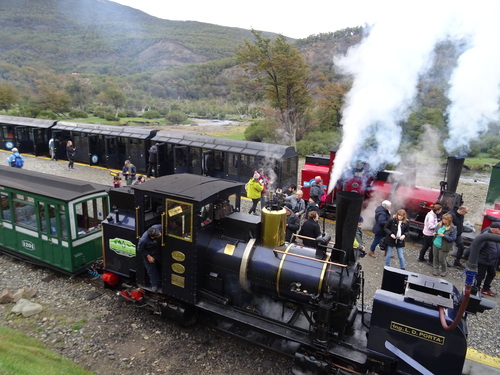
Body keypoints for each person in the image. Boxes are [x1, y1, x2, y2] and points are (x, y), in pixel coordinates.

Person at [475, 222, 500, 296]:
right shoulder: (485, 236)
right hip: (484, 260)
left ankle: (486, 289)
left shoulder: (497, 236)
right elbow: (478, 249)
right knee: (480, 275)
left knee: (492, 274)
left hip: (493, 261)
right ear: (494, 229)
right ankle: (476, 289)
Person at [137, 224, 163, 292]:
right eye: (158, 235)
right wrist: (148, 256)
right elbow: (140, 249)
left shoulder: (158, 228)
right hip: (149, 254)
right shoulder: (143, 240)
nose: (160, 235)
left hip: (157, 250)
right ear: (152, 237)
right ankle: (154, 285)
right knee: (151, 269)